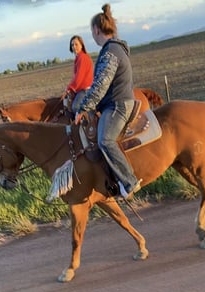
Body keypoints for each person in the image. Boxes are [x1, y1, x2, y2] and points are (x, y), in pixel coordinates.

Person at [73, 4, 143, 200]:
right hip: (114, 103)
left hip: (117, 105)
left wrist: (84, 108)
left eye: (91, 32)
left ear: (96, 29)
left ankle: (129, 182)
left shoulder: (111, 51)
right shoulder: (114, 48)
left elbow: (101, 84)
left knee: (105, 140)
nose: (92, 36)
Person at [64, 35, 94, 114]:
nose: (74, 47)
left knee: (76, 107)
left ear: (81, 45)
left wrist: (70, 88)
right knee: (66, 103)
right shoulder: (78, 58)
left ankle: (87, 125)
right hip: (80, 89)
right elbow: (75, 77)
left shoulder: (83, 58)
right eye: (72, 45)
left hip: (85, 90)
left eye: (76, 44)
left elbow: (79, 77)